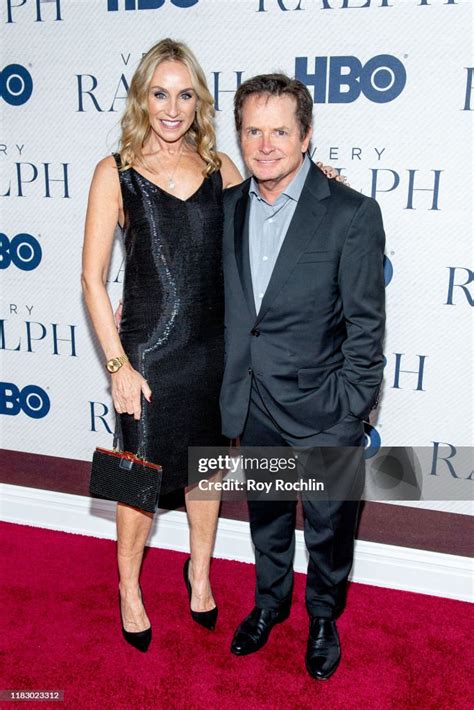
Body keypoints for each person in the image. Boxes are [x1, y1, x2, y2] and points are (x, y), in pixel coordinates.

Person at [220, 74, 386, 680]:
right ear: (239, 136)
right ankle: (269, 604)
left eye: (280, 131)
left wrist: (350, 410)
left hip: (324, 408)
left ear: (307, 135)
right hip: (255, 404)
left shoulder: (351, 213)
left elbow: (368, 330)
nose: (266, 145)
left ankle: (323, 615)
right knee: (265, 516)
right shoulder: (229, 208)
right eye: (253, 131)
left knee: (328, 525)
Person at [81, 38, 242, 652]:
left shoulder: (221, 168)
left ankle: (199, 571)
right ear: (141, 97)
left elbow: (269, 221)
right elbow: (92, 278)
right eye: (160, 93)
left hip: (212, 349)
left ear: (198, 100)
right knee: (137, 473)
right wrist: (117, 364)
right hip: (146, 353)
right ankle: (128, 586)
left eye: (185, 94)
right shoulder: (115, 171)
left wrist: (321, 179)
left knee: (206, 468)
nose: (172, 108)